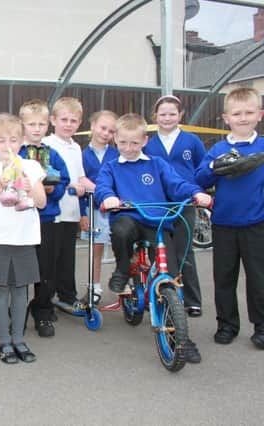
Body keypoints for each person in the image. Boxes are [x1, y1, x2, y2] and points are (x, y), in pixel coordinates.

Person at [95, 113, 211, 363]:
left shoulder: (156, 164)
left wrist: (195, 193)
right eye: (123, 142)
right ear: (116, 140)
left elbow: (177, 184)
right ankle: (123, 269)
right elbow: (103, 185)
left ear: (144, 141)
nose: (128, 148)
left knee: (169, 275)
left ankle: (181, 338)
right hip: (129, 216)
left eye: (134, 143)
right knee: (122, 230)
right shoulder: (112, 166)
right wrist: (107, 197)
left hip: (157, 221)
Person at [194, 87, 264, 349]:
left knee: (259, 278)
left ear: (260, 114)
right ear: (226, 118)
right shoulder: (218, 149)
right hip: (223, 224)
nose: (243, 118)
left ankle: (261, 327)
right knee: (224, 278)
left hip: (257, 225)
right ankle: (226, 325)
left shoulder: (263, 146)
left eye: (248, 112)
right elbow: (200, 178)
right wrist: (214, 166)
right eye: (237, 113)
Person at [0, 113, 46, 364]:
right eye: (2, 140)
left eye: (14, 140)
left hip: (25, 239)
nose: (8, 146)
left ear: (22, 141)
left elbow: (41, 202)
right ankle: (4, 340)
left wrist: (29, 186)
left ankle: (19, 338)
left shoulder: (32, 166)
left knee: (20, 291)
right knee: (0, 291)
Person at [144, 95, 206, 318]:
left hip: (184, 204)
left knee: (184, 251)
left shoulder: (192, 141)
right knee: (159, 251)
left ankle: (192, 300)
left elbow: (202, 169)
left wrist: (197, 191)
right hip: (158, 205)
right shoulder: (149, 144)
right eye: (163, 114)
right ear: (155, 117)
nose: (167, 118)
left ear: (180, 116)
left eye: (172, 113)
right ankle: (161, 295)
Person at [17, 99, 69, 337]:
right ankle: (13, 312)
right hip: (18, 218)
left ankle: (42, 312)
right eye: (31, 124)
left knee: (45, 269)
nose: (36, 129)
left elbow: (64, 181)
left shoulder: (53, 154)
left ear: (47, 125)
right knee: (17, 268)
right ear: (22, 125)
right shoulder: (15, 153)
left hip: (46, 219)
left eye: (40, 124)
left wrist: (52, 192)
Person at [41, 97, 92, 308]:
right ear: (53, 120)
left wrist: (101, 190)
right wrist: (72, 184)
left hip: (70, 211)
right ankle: (47, 296)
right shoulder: (46, 145)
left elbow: (81, 178)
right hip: (54, 211)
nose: (68, 124)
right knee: (50, 256)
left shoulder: (76, 147)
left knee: (67, 256)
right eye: (64, 119)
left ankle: (67, 294)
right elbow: (48, 175)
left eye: (73, 120)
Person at [79, 110, 119, 305]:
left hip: (117, 211)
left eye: (111, 131)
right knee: (95, 250)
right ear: (93, 125)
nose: (106, 133)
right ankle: (94, 287)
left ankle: (126, 284)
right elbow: (79, 186)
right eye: (103, 128)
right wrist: (81, 214)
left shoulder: (117, 154)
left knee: (123, 247)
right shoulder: (82, 155)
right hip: (93, 210)